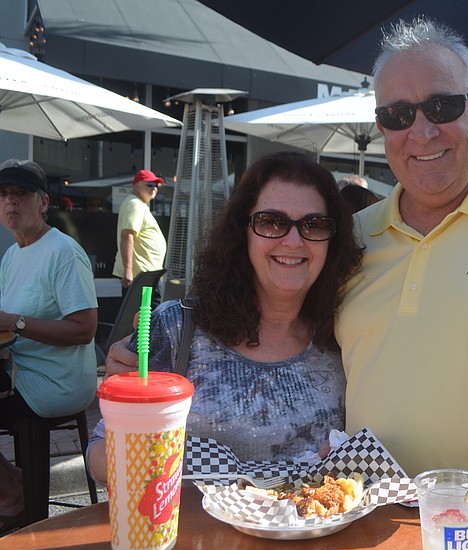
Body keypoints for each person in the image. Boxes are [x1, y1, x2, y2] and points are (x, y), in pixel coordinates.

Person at [108, 17, 468, 548]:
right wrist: (148, 359)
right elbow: (272, 309)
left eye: (443, 106)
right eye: (398, 114)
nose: (421, 130)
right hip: (360, 532)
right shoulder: (351, 239)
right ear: (381, 128)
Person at [88, 152, 363, 482]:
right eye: (271, 221)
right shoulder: (178, 328)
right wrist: (159, 465)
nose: (293, 240)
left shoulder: (346, 334)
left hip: (315, 528)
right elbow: (100, 450)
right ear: (242, 231)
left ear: (333, 241)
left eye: (314, 225)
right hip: (192, 531)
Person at [0, 159, 98, 530]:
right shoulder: (12, 255)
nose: (11, 202)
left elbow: (85, 329)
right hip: (21, 371)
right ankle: (16, 485)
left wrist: (16, 323)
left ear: (43, 203)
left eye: (21, 194)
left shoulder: (63, 252)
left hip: (56, 383)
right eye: (4, 194)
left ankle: (13, 498)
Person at [112, 169, 167, 291]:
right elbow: (127, 235)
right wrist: (128, 270)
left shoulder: (138, 204)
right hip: (140, 276)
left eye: (156, 185)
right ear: (137, 186)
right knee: (141, 310)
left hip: (145, 274)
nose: (154, 188)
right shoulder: (134, 204)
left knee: (146, 309)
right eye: (149, 184)